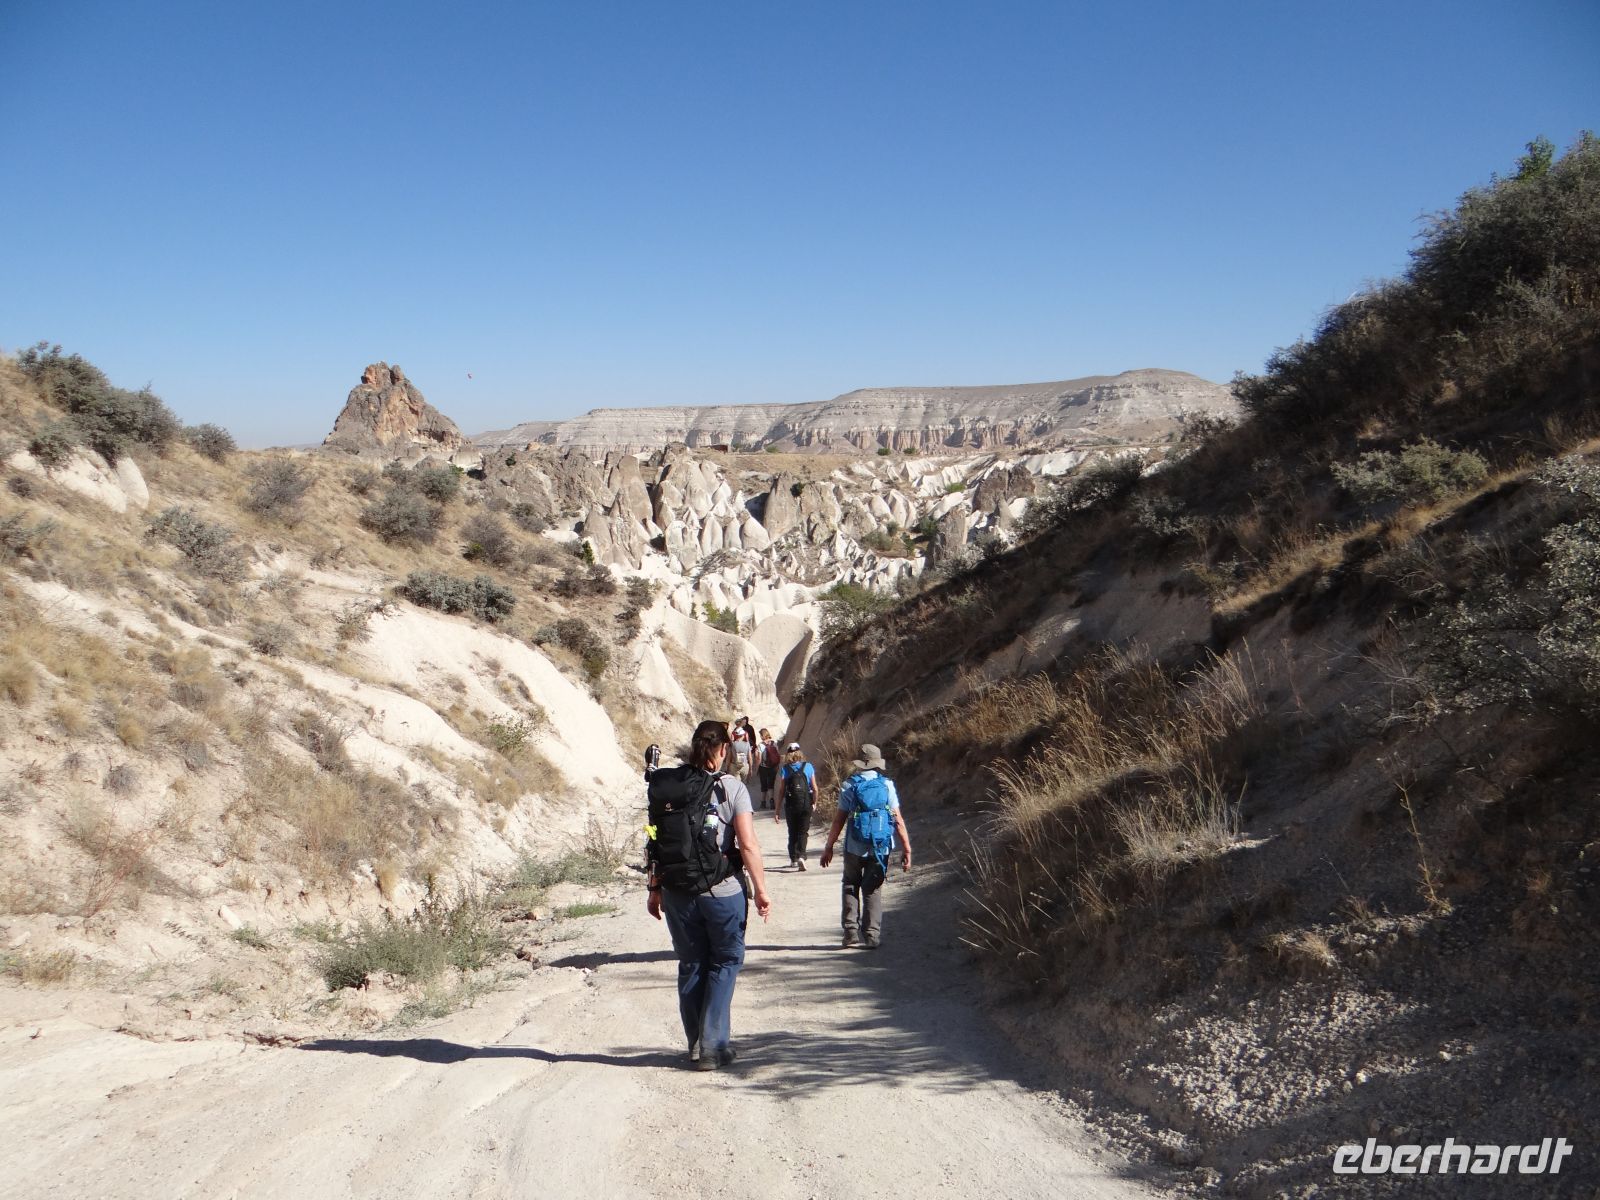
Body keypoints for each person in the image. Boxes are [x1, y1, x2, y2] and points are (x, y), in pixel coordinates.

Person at [646, 720, 772, 1069]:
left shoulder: (667, 787)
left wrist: (655, 889)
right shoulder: (732, 788)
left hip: (676, 892)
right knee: (725, 961)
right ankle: (714, 1045)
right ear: (722, 750)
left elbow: (654, 840)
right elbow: (747, 843)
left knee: (691, 963)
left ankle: (697, 1045)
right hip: (722, 892)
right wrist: (761, 890)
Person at [819, 743, 911, 949]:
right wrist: (907, 848)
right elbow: (898, 820)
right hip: (881, 846)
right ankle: (871, 936)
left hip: (854, 844)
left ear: (861, 763)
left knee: (851, 884)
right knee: (873, 889)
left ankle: (851, 933)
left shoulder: (849, 785)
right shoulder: (887, 785)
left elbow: (838, 820)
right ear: (878, 763)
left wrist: (829, 846)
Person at [774, 742, 816, 869]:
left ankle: (793, 859)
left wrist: (777, 810)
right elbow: (815, 788)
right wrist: (814, 802)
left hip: (791, 805)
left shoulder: (785, 769)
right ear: (799, 752)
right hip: (806, 803)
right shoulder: (808, 766)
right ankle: (802, 856)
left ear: (787, 754)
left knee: (792, 832)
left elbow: (782, 791)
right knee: (803, 832)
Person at [756, 727, 781, 809]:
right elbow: (777, 755)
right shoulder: (774, 743)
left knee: (764, 785)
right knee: (771, 785)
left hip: (763, 767)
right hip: (773, 767)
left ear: (762, 735)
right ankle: (771, 801)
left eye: (760, 735)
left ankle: (763, 803)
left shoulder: (760, 745)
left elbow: (759, 758)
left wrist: (757, 768)